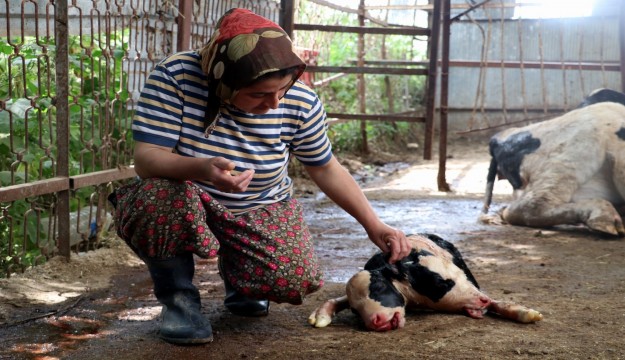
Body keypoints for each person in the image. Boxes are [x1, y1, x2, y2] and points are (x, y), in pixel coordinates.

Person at [109, 7, 417, 345]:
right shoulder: (176, 78)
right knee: (156, 197)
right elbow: (147, 160)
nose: (273, 103)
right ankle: (179, 302)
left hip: (258, 204)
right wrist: (200, 168)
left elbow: (325, 166)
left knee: (293, 278)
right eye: (258, 94)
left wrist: (373, 224)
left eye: (282, 88)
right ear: (224, 80)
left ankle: (243, 281)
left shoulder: (299, 100)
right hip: (184, 197)